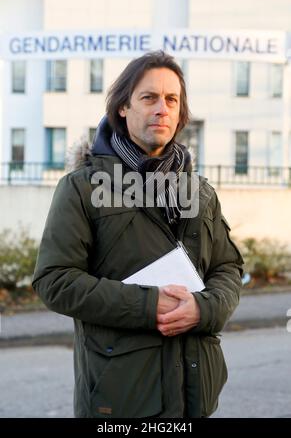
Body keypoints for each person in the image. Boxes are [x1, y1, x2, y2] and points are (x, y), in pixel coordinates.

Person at [32, 51, 243, 418]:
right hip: (121, 396)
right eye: (149, 98)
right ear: (123, 108)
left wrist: (204, 308)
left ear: (180, 114)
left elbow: (228, 269)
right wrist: (148, 306)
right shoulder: (81, 188)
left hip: (195, 394)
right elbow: (55, 281)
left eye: (171, 99)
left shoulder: (201, 192)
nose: (161, 108)